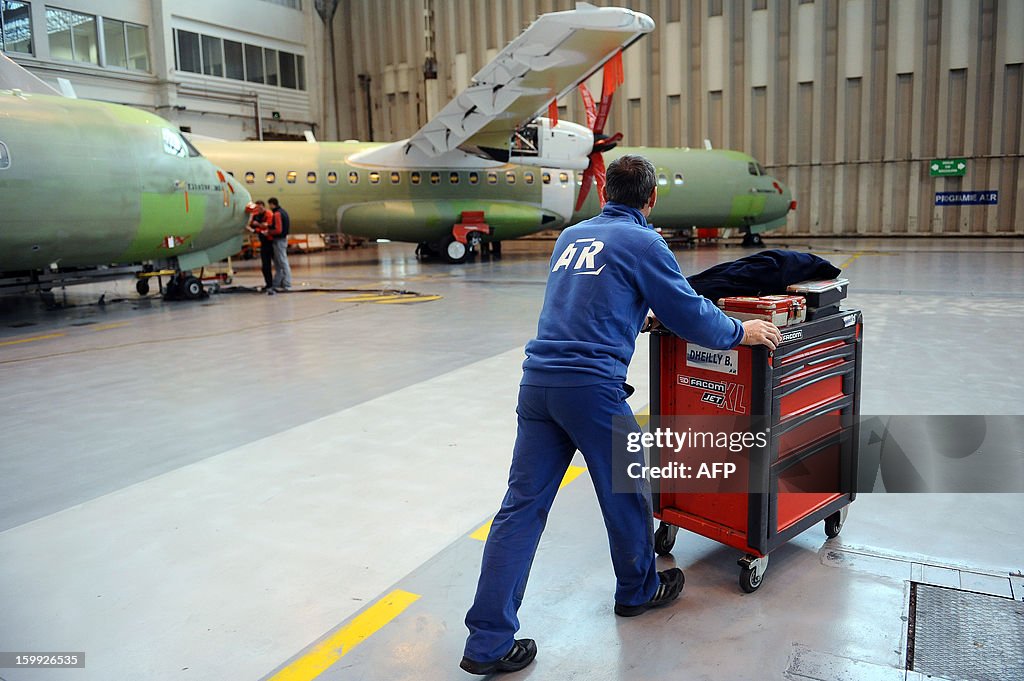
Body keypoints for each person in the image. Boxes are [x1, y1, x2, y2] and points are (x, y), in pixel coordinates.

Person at [459, 155, 783, 675]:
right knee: (630, 489)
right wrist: (741, 332)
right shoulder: (644, 241)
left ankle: (487, 643)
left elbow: (588, 302)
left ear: (605, 192)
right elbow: (690, 313)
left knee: (520, 510)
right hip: (591, 390)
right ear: (651, 200)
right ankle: (638, 588)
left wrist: (636, 312)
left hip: (538, 384)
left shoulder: (571, 237)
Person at [245, 200, 276, 294]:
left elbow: (267, 226)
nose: (258, 209)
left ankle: (275, 284)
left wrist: (257, 226)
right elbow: (252, 225)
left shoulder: (269, 214)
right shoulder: (256, 215)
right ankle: (269, 284)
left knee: (277, 264)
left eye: (260, 207)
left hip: (271, 242)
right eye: (257, 207)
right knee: (265, 266)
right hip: (263, 242)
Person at [267, 197, 291, 291]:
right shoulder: (283, 212)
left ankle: (287, 283)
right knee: (279, 262)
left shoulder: (277, 214)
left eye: (270, 205)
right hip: (283, 239)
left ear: (272, 204)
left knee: (282, 261)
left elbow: (278, 229)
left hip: (279, 240)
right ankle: (278, 282)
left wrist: (268, 232)